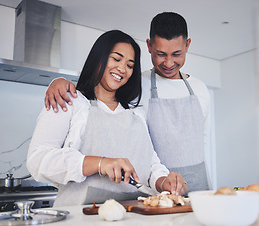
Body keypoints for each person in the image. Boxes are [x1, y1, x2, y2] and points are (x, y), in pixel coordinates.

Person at [43, 12, 211, 193]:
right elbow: (99, 89)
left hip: (190, 184)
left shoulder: (199, 89)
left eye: (176, 54)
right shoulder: (136, 86)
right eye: (161, 54)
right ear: (149, 46)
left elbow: (201, 140)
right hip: (149, 190)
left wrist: (163, 179)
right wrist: (58, 81)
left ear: (188, 45)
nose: (168, 62)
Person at [27, 30, 187, 207]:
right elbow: (37, 159)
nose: (122, 69)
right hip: (79, 224)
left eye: (130, 65)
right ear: (99, 57)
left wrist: (164, 181)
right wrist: (100, 163)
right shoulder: (69, 100)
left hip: (132, 221)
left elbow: (150, 165)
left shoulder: (137, 114)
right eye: (116, 59)